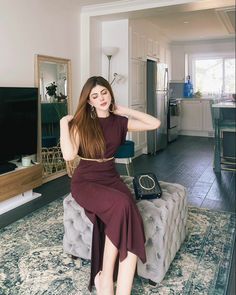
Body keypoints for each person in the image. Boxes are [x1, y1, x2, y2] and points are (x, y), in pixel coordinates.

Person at [60, 76, 160, 295]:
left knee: (130, 214)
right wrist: (63, 123)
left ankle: (118, 288)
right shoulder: (82, 124)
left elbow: (155, 124)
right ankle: (105, 278)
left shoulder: (119, 121)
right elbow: (68, 154)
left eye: (104, 92)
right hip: (86, 180)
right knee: (123, 204)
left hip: (110, 176)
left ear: (109, 93)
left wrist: (125, 110)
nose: (101, 98)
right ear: (89, 101)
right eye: (94, 96)